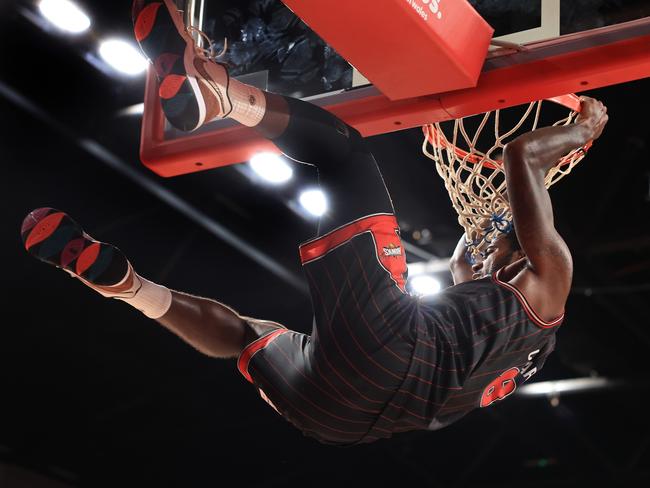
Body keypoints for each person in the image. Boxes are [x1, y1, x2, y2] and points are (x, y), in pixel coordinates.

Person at [21, 0, 609, 446]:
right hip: (336, 418)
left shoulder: (549, 281)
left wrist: (583, 128)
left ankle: (218, 95)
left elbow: (518, 158)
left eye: (493, 244)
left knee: (343, 154)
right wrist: (486, 232)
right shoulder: (501, 321)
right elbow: (468, 259)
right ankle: (129, 288)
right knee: (247, 337)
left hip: (393, 354)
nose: (479, 251)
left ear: (518, 251)